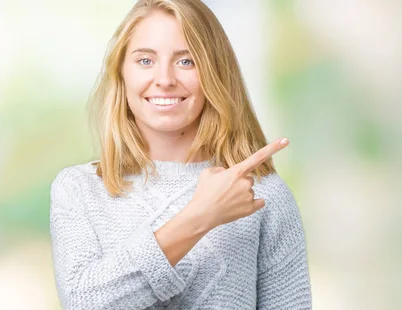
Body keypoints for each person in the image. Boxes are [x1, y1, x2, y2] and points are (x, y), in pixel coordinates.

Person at [48, 0, 312, 309]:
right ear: (121, 73)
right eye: (145, 61)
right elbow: (83, 303)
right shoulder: (79, 189)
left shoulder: (261, 195)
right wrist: (199, 217)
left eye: (186, 61)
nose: (165, 79)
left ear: (215, 72)